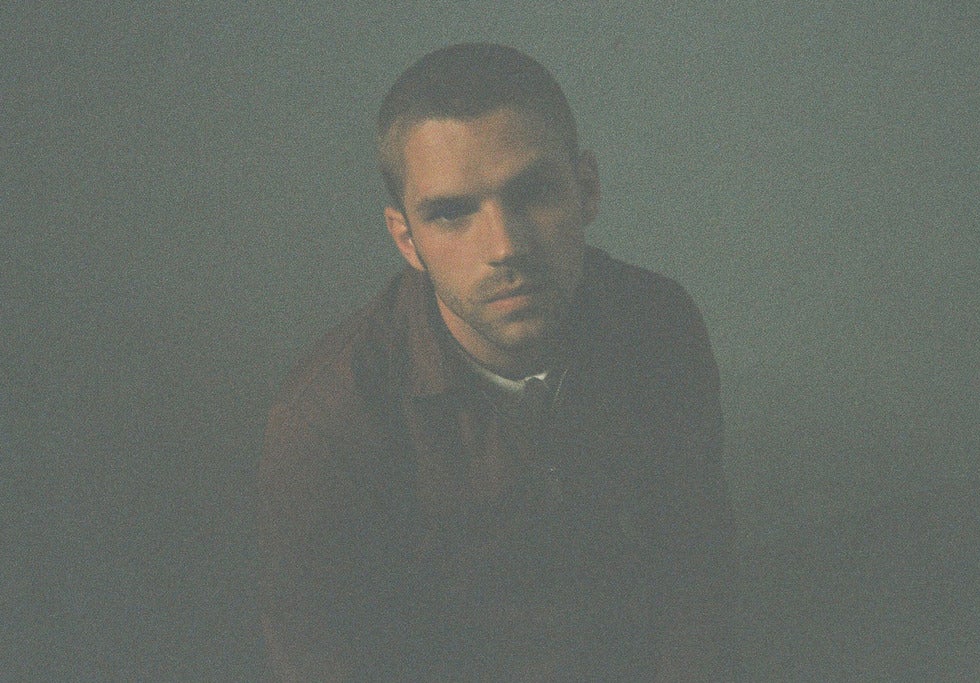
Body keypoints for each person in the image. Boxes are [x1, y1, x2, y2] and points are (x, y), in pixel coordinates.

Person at [258, 42, 737, 681]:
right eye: (451, 213)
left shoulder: (659, 325)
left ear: (587, 190)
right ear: (406, 238)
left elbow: (696, 584)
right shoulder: (329, 419)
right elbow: (324, 660)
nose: (505, 246)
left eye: (534, 193)